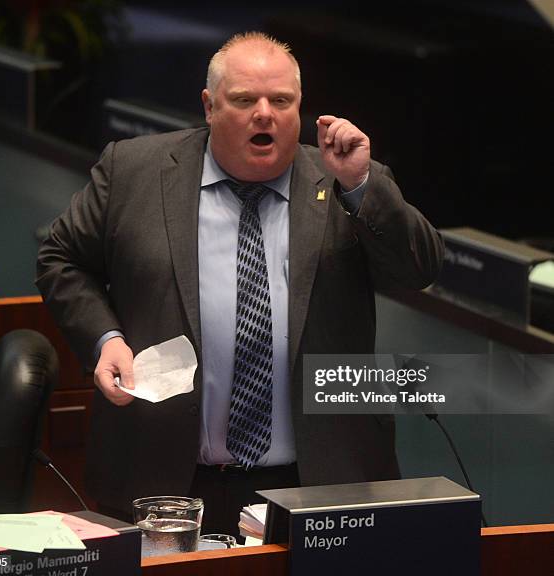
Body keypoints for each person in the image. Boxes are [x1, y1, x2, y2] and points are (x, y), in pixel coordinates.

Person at [36, 32, 444, 537]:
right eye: (245, 100)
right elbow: (61, 258)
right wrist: (106, 338)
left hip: (318, 484)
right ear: (209, 106)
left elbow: (420, 268)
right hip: (164, 481)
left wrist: (362, 188)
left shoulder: (345, 181)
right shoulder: (133, 171)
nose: (265, 114)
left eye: (281, 101)